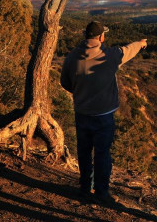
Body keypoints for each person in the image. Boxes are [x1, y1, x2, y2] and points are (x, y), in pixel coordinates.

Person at [61, 21, 147, 204]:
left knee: (84, 152)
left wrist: (81, 92)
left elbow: (65, 83)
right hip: (103, 116)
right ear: (100, 37)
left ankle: (85, 188)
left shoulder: (72, 57)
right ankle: (101, 192)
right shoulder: (109, 55)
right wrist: (141, 43)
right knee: (102, 154)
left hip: (81, 113)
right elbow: (128, 50)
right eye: (104, 35)